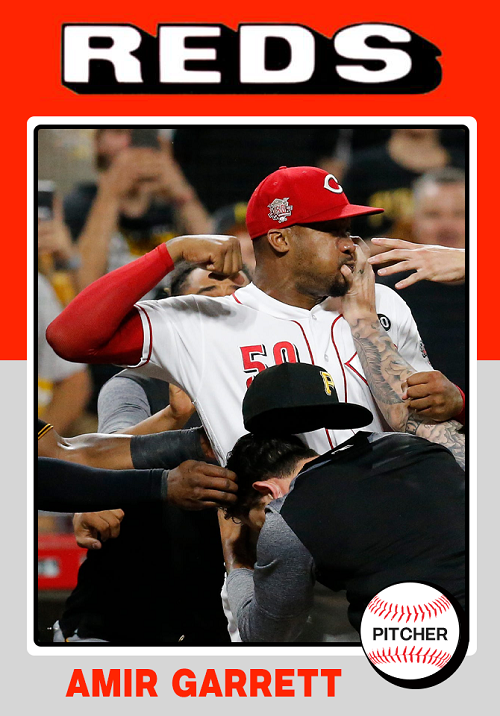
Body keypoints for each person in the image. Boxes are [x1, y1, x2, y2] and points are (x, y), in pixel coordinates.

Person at [47, 166, 464, 464]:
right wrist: (170, 252)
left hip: (390, 524)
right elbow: (70, 338)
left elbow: (427, 429)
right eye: (331, 231)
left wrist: (456, 404)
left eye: (347, 229)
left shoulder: (380, 303)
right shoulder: (203, 319)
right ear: (280, 240)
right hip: (279, 534)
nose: (349, 243)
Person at [222, 363, 464, 641]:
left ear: (267, 491)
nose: (263, 530)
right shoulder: (415, 446)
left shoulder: (289, 517)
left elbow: (265, 635)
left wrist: (236, 560)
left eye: (258, 523)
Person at [370, 169, 467, 389]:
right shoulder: (385, 292)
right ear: (413, 222)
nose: (447, 226)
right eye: (433, 215)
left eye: (460, 214)